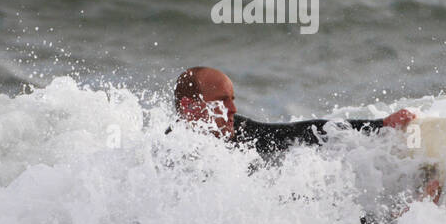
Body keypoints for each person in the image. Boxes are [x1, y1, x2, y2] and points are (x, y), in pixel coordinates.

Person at [171, 66, 415, 156]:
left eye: (232, 99)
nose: (233, 108)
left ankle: (394, 218)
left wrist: (380, 125)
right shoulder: (169, 154)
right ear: (189, 107)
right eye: (222, 101)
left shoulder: (238, 131)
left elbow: (297, 133)